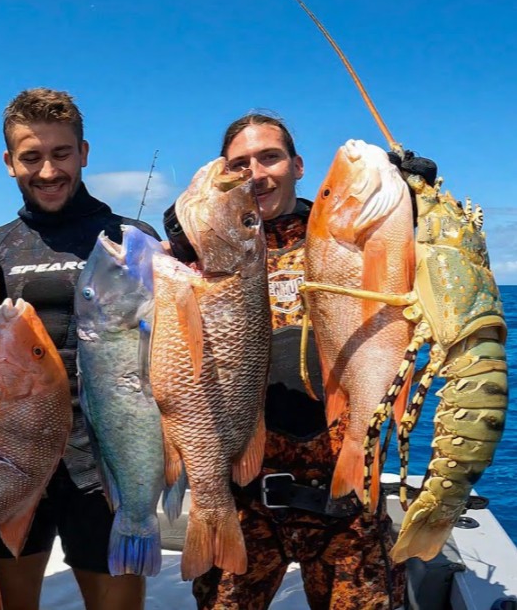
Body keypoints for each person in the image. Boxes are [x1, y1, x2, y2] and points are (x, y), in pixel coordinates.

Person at [164, 112, 407, 609]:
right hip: (244, 503)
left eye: (269, 156)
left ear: (298, 165)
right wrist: (187, 239)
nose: (256, 172)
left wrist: (419, 210)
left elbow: (409, 279)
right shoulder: (199, 260)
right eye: (239, 163)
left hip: (348, 505)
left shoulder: (346, 240)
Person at [0, 87, 159, 610]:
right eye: (31, 157)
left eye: (61, 154)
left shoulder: (132, 242)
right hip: (15, 461)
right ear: (8, 163)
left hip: (108, 463)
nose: (48, 171)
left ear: (84, 153)